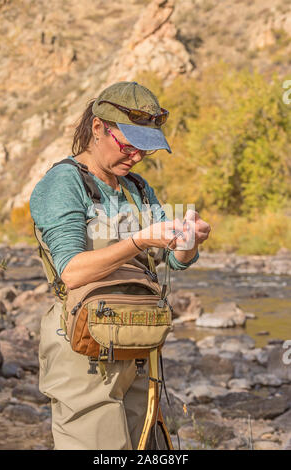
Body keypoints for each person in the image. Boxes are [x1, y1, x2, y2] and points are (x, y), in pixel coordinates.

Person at [30, 81, 211, 450]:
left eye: (144, 148)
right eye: (128, 145)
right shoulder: (63, 183)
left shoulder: (138, 188)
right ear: (98, 128)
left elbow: (174, 261)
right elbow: (73, 271)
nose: (137, 156)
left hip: (138, 347)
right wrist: (139, 240)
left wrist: (189, 241)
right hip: (82, 350)